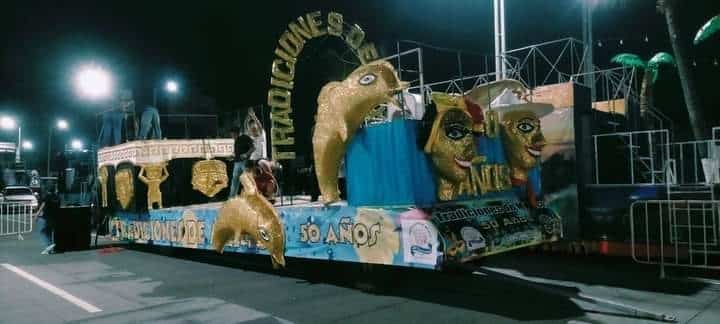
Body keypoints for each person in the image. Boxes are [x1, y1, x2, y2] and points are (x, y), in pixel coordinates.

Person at [229, 126, 254, 197]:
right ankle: (232, 198)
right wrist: (232, 156)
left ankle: (251, 196)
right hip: (237, 162)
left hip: (245, 162)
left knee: (247, 180)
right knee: (235, 181)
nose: (232, 136)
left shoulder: (245, 137)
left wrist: (246, 154)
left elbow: (253, 148)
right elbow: (237, 152)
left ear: (237, 133)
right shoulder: (236, 140)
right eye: (231, 134)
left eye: (232, 134)